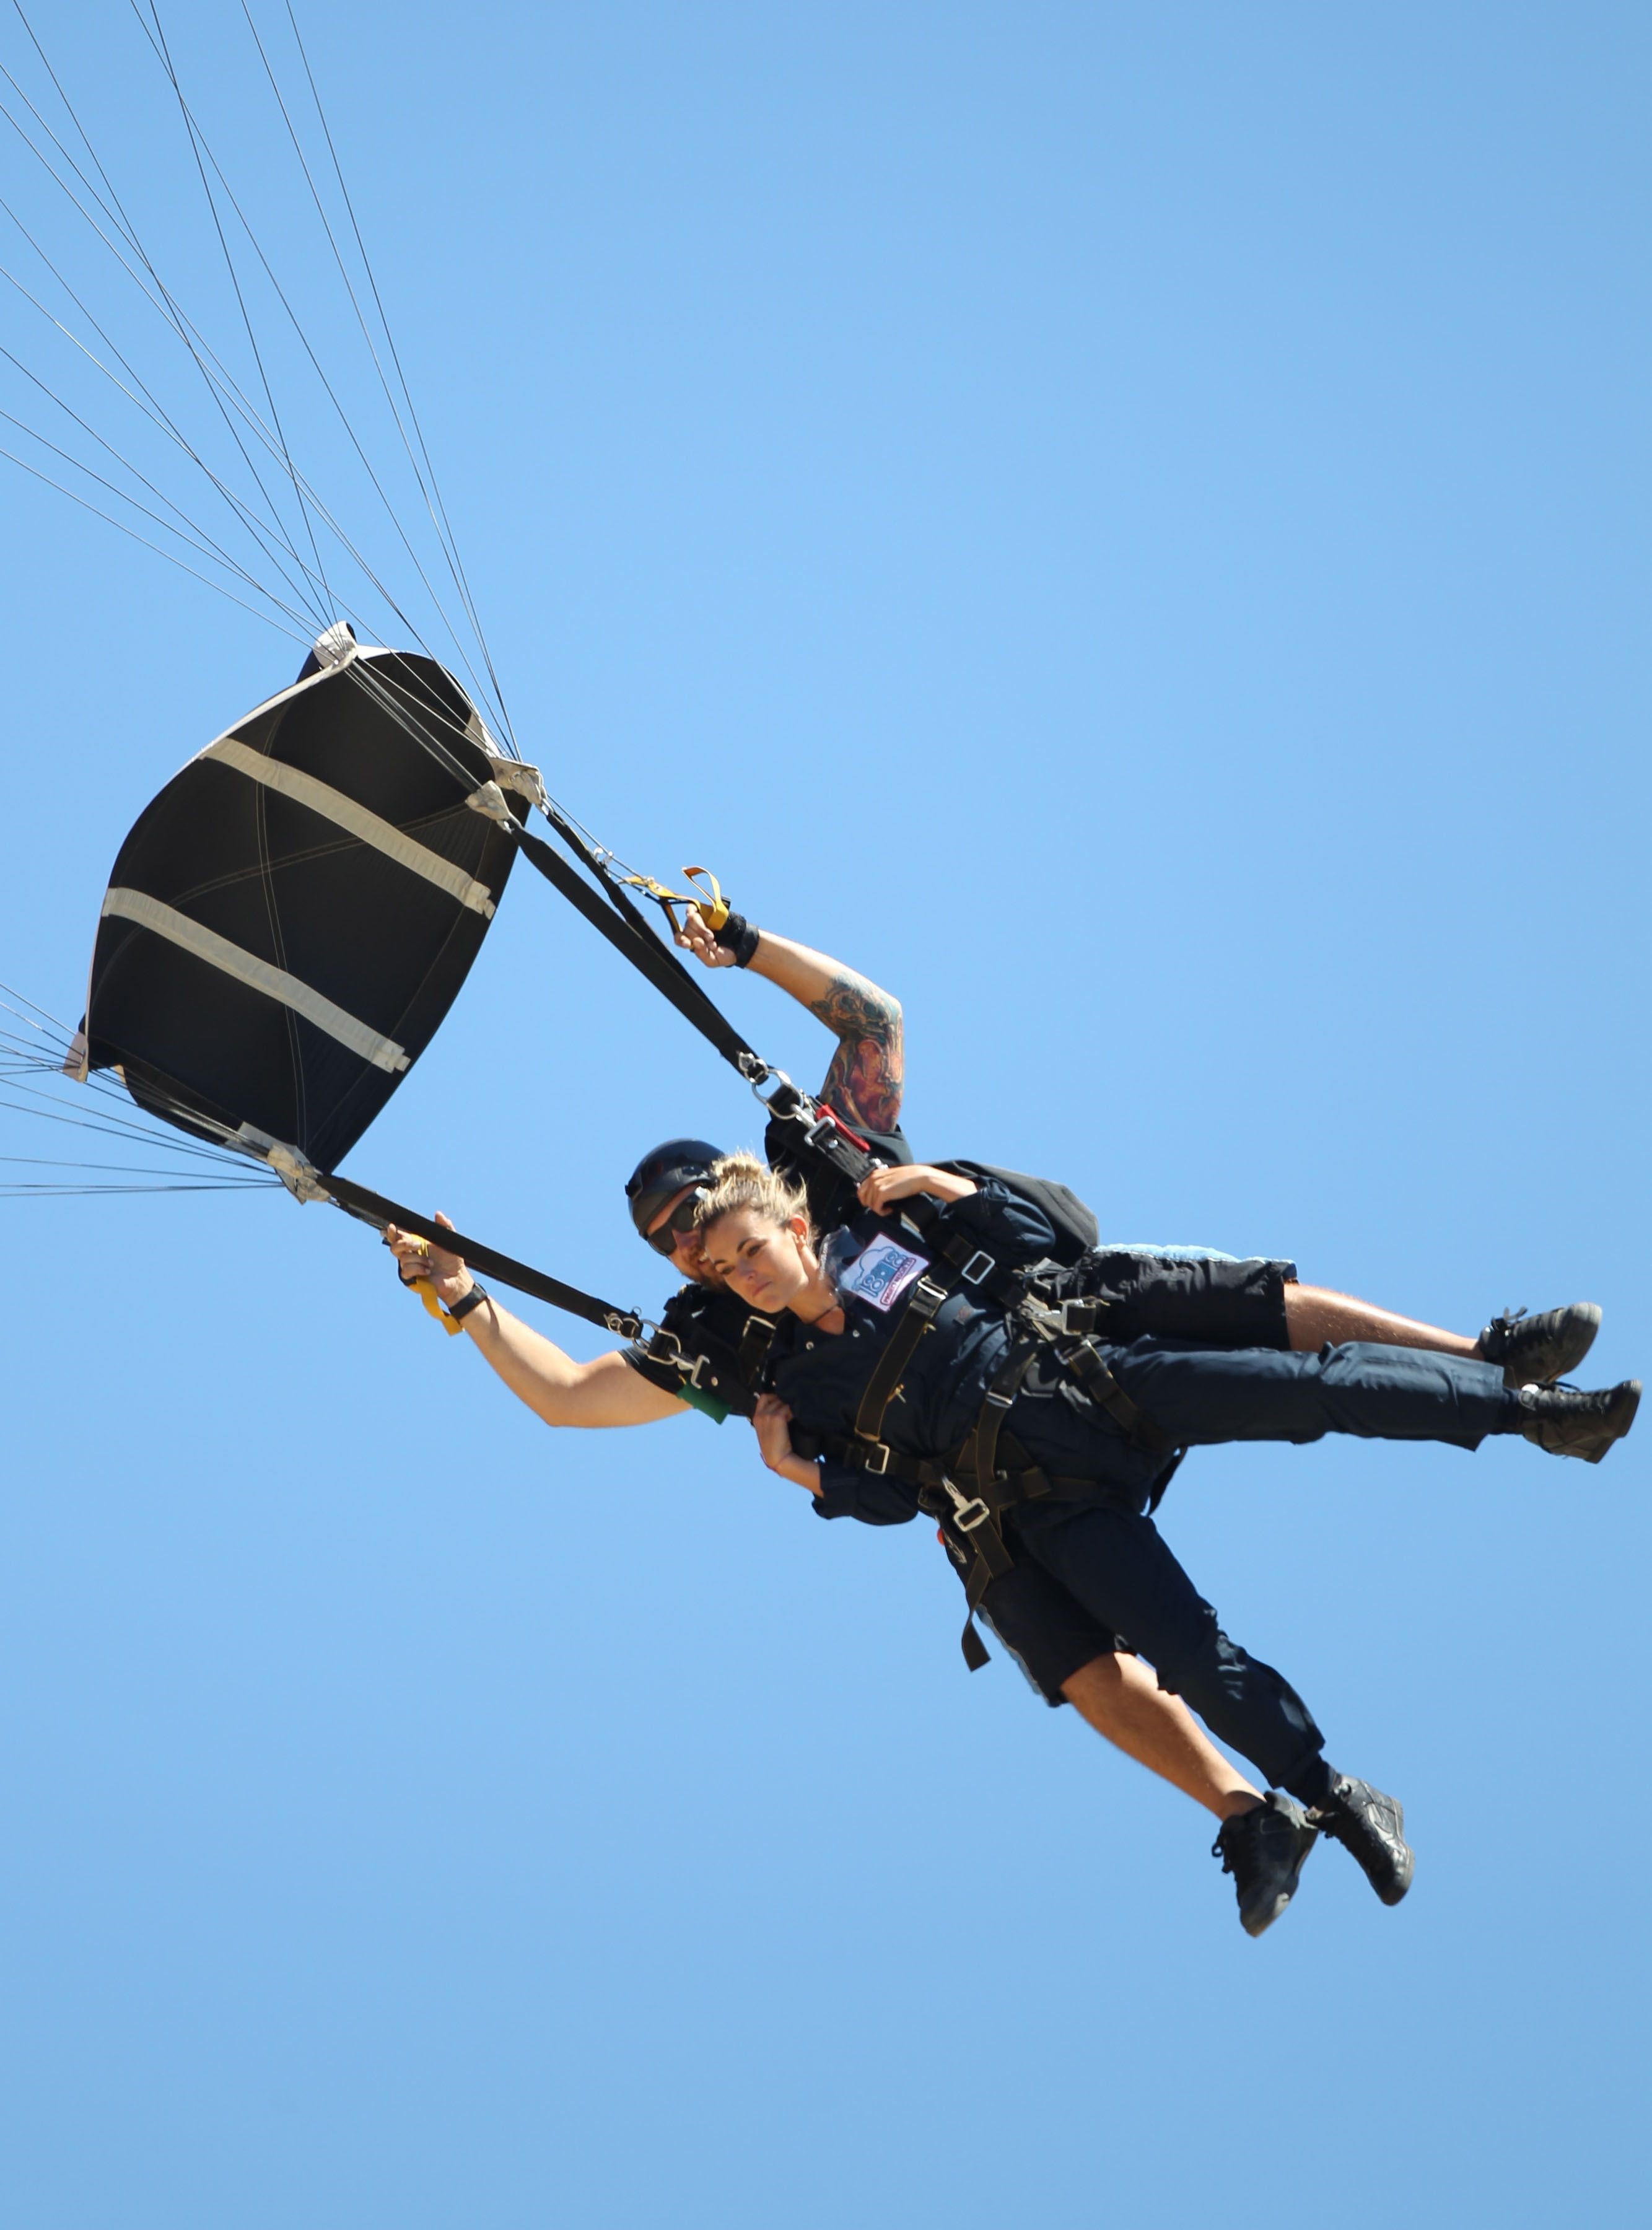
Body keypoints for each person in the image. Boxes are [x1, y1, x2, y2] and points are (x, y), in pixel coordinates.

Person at [691, 1153, 1640, 1918]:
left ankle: (1537, 1414)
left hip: (1083, 1382)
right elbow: (894, 1495)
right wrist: (798, 1471)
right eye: (728, 1270)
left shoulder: (881, 1230)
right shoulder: (799, 1382)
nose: (745, 1276)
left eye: (750, 1249)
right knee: (1187, 1650)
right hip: (1040, 1499)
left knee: (1315, 1389)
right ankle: (1336, 1797)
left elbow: (1045, 1238)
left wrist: (946, 1186)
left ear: (794, 1225)